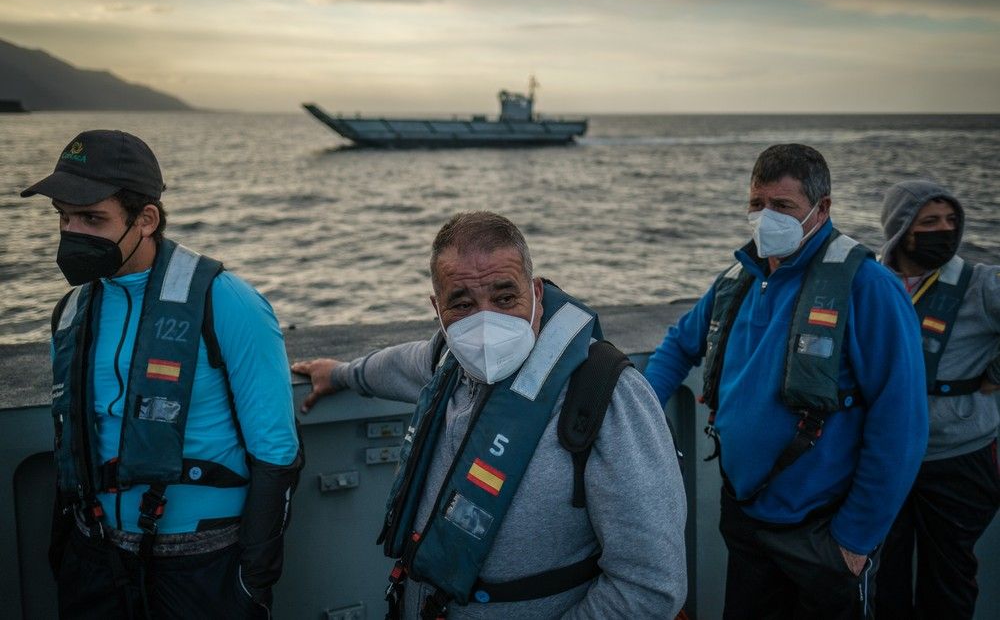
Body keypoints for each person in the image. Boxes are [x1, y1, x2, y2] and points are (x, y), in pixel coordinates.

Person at [292, 211, 687, 619]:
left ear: (535, 293)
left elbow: (649, 586)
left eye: (504, 298)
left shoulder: (608, 394)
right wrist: (339, 374)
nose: (486, 322)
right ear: (437, 308)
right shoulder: (448, 364)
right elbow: (395, 367)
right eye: (462, 303)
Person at [21, 129, 303, 619]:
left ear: (146, 219)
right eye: (64, 217)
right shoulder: (71, 312)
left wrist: (252, 583)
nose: (73, 234)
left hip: (201, 566)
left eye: (92, 218)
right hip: (96, 560)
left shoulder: (227, 301)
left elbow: (276, 453)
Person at [642, 143, 928, 619]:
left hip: (822, 530)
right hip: (745, 518)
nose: (765, 217)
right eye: (757, 204)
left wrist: (855, 540)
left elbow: (902, 422)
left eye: (782, 206)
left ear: (823, 209)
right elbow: (677, 346)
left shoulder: (867, 287)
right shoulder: (738, 279)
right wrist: (639, 414)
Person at [874, 180, 1000, 619]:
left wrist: (995, 374)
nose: (944, 230)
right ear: (902, 229)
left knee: (947, 581)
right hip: (886, 457)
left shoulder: (981, 283)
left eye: (951, 221)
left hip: (958, 458)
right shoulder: (875, 282)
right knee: (879, 575)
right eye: (930, 222)